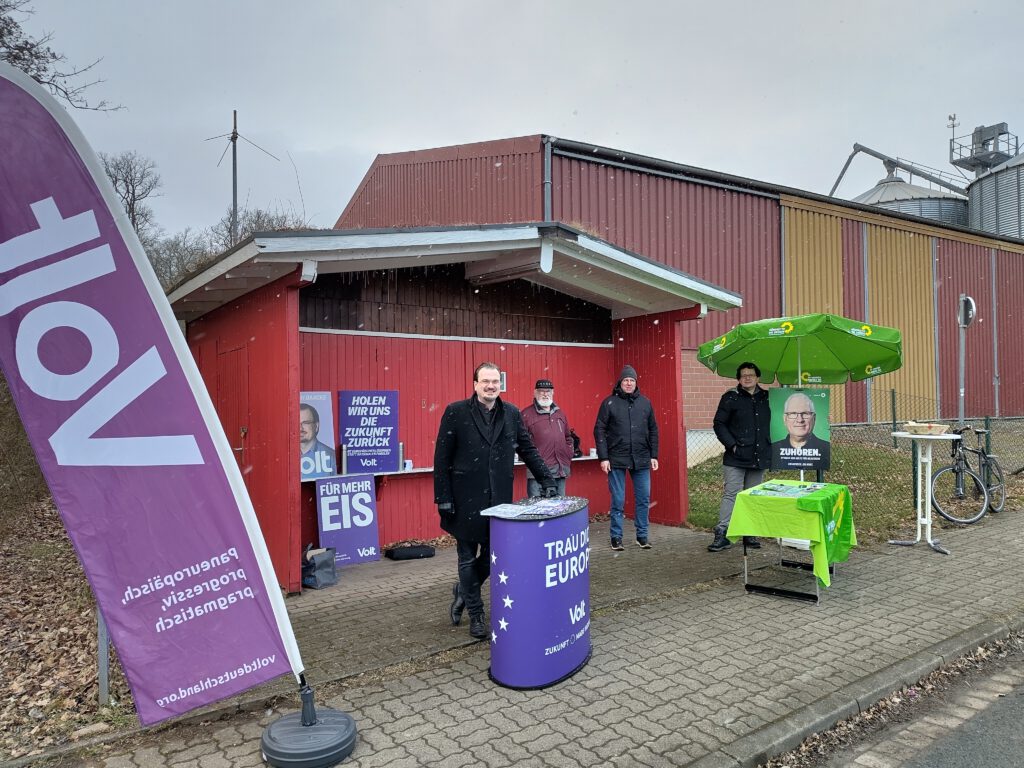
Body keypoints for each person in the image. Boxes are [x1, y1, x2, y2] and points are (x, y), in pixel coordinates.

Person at [434, 362, 557, 640]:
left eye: (495, 381)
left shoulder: (511, 413)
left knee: (494, 559)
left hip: (498, 500)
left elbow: (527, 449)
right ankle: (476, 615)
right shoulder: (456, 412)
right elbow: (441, 458)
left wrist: (547, 480)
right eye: (485, 381)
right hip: (463, 499)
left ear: (500, 384)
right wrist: (442, 497)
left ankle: (463, 590)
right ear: (475, 384)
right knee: (466, 559)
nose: (491, 386)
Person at [593, 365, 659, 551]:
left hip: (642, 458)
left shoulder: (645, 403)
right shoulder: (609, 403)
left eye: (632, 380)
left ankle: (642, 536)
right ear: (620, 383)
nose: (629, 383)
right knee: (618, 499)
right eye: (625, 380)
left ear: (636, 383)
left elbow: (653, 429)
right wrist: (603, 457)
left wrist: (654, 454)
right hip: (616, 458)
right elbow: (599, 429)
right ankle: (616, 537)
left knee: (643, 498)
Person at [709, 362, 771, 552]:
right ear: (739, 379)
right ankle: (722, 533)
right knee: (732, 495)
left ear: (757, 377)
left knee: (752, 496)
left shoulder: (767, 398)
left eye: (751, 374)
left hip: (759, 456)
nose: (747, 378)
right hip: (736, 458)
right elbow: (719, 424)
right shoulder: (730, 398)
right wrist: (733, 446)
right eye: (743, 375)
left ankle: (749, 533)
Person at [521, 378, 574, 497]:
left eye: (548, 391)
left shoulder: (560, 413)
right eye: (541, 391)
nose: (545, 394)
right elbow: (520, 442)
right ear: (535, 392)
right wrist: (532, 462)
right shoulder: (526, 414)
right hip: (537, 473)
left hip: (560, 470)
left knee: (560, 509)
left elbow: (568, 437)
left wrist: (568, 453)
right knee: (536, 510)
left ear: (553, 393)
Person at [771, 391, 831, 470]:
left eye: (805, 413)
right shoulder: (773, 450)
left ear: (814, 418)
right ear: (785, 419)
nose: (799, 420)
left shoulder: (825, 449)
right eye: (793, 413)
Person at [299, 403, 337, 478]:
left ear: (316, 426)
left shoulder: (331, 457)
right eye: (296, 423)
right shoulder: (284, 457)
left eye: (306, 423)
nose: (300, 428)